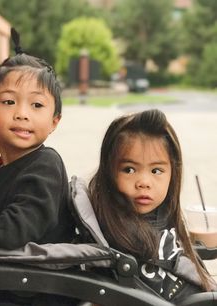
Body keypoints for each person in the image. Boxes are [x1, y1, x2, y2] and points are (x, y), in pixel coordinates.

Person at [0, 28, 76, 305]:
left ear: (54, 121)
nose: (22, 113)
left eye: (37, 104)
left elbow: (13, 230)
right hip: (2, 280)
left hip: (32, 293)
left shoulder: (45, 165)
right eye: (8, 101)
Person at [88, 109, 217, 304]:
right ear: (109, 173)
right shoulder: (115, 233)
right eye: (129, 169)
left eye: (156, 170)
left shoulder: (162, 213)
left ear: (173, 173)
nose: (144, 182)